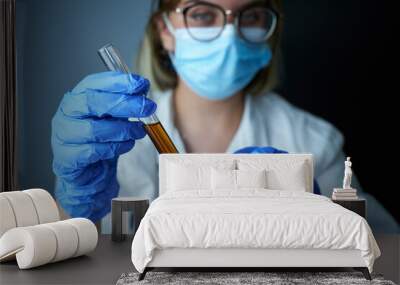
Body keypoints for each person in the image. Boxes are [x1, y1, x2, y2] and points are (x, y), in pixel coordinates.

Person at [51, 0, 398, 233]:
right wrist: (77, 207)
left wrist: (316, 210)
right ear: (165, 31)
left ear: (269, 34)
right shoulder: (110, 134)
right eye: (203, 14)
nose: (230, 33)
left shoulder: (313, 141)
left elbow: (379, 242)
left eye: (251, 16)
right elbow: (64, 250)